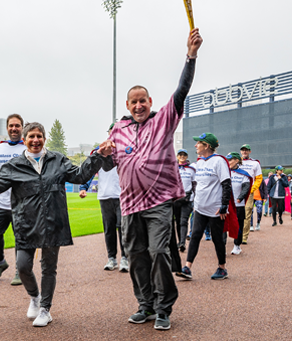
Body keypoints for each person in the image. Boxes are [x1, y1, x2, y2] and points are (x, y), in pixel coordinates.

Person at [0, 122, 113, 327]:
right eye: (31, 137)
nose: (35, 140)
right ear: (25, 140)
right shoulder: (14, 165)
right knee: (22, 267)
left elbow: (80, 175)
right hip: (26, 223)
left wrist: (98, 156)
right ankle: (35, 297)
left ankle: (46, 309)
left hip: (53, 223)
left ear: (44, 139)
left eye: (39, 136)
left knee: (49, 268)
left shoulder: (58, 160)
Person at [101, 28, 203, 331]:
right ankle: (144, 304)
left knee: (159, 252)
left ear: (149, 101)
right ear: (127, 106)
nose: (137, 106)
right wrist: (104, 153)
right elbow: (108, 165)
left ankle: (163, 306)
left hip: (158, 203)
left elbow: (181, 91)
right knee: (135, 256)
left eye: (142, 100)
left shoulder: (163, 120)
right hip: (129, 205)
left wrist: (191, 56)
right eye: (132, 102)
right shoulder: (117, 131)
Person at [177, 133, 236, 280]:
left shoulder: (219, 161)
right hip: (200, 207)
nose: (196, 146)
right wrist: (196, 201)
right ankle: (187, 267)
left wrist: (224, 205)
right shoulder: (200, 162)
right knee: (195, 235)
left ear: (207, 146)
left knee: (217, 239)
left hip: (215, 208)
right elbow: (197, 183)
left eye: (199, 143)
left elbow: (226, 184)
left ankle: (222, 268)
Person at [79, 123, 128, 272]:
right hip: (105, 195)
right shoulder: (99, 151)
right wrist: (83, 188)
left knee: (123, 228)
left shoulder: (125, 151)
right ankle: (111, 258)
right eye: (112, 131)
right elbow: (90, 170)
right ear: (108, 133)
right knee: (109, 229)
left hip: (122, 195)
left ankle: (125, 258)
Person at [0, 114, 27, 285]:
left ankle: (20, 270)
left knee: (21, 238)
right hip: (0, 201)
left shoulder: (27, 148)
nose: (14, 128)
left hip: (21, 203)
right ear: (7, 128)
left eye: (17, 126)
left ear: (22, 128)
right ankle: (0, 262)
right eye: (11, 126)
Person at [227, 152, 251, 255]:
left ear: (237, 160)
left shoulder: (243, 174)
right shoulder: (225, 172)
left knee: (238, 226)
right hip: (226, 204)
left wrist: (240, 198)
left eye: (230, 160)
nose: (228, 162)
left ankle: (237, 245)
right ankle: (221, 246)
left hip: (238, 205)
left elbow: (246, 187)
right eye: (227, 160)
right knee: (223, 226)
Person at [238, 144, 262, 244]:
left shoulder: (255, 163)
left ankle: (244, 237)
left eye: (246, 150)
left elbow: (259, 178)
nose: (244, 152)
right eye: (243, 150)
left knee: (247, 214)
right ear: (240, 151)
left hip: (249, 192)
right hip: (236, 191)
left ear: (250, 151)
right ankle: (236, 234)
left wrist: (252, 189)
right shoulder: (236, 161)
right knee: (235, 213)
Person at [174, 149, 196, 253]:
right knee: (177, 221)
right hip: (176, 199)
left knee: (183, 221)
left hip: (187, 199)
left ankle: (182, 243)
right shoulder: (173, 168)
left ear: (186, 156)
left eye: (184, 155)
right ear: (177, 156)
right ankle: (178, 242)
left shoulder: (191, 169)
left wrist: (195, 197)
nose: (182, 156)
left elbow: (194, 184)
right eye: (180, 155)